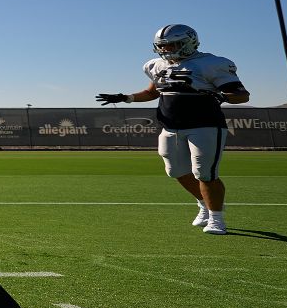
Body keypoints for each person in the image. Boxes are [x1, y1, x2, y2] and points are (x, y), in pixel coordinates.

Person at [96, 24, 249, 235]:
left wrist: (219, 96)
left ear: (189, 42)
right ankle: (203, 204)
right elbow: (152, 93)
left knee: (205, 173)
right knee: (176, 171)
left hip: (204, 124)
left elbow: (242, 95)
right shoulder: (156, 65)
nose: (167, 50)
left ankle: (216, 218)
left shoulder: (211, 63)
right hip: (170, 126)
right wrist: (126, 98)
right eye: (163, 46)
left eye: (173, 45)